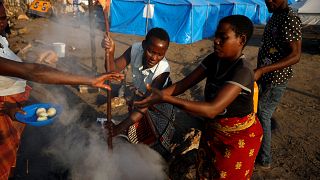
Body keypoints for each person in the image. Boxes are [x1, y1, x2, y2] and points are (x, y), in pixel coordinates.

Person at [0, 3, 123, 179]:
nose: (2, 23)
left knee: (12, 159)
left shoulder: (2, 39)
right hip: (6, 111)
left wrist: (9, 108)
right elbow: (32, 71)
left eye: (4, 17)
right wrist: (90, 79)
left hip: (11, 109)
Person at [135, 15, 263, 179]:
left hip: (238, 140)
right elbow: (183, 85)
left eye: (223, 37)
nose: (215, 41)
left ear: (241, 40)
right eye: (216, 35)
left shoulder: (243, 71)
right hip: (213, 130)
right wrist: (153, 96)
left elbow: (212, 109)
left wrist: (164, 98)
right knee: (205, 172)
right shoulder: (213, 59)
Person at [102, 27, 175, 158]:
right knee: (137, 129)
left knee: (157, 135)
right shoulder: (135, 49)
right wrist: (110, 52)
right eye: (150, 51)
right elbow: (111, 70)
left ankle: (156, 156)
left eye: (160, 54)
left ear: (165, 52)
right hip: (142, 94)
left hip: (159, 100)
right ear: (143, 45)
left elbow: (144, 106)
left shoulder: (162, 71)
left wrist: (117, 129)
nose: (154, 58)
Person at [254, 0, 302, 169]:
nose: (269, 2)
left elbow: (295, 55)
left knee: (263, 114)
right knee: (258, 112)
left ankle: (265, 158)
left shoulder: (289, 19)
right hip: (266, 76)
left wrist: (263, 70)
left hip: (275, 79)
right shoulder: (275, 16)